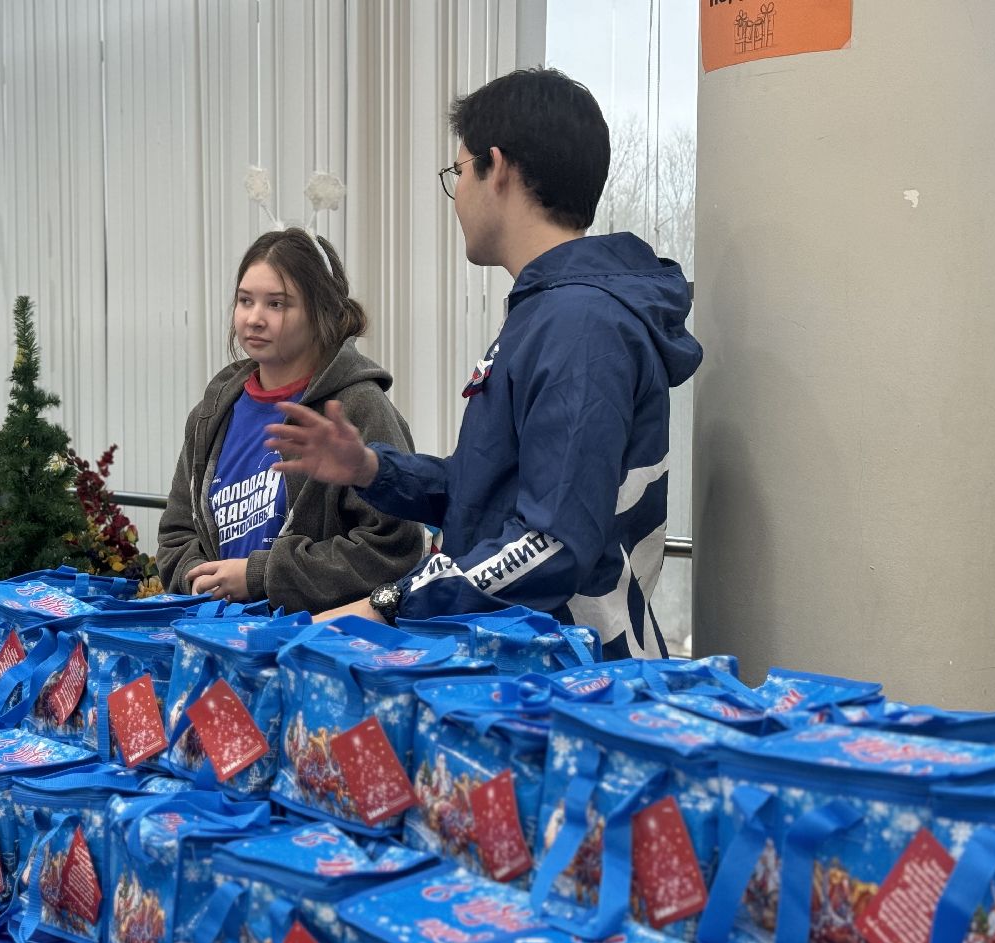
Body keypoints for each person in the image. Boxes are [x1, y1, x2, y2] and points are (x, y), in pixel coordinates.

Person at [265, 68, 702, 658]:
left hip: (567, 673)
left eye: (458, 172)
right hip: (527, 658)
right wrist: (372, 468)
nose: (457, 198)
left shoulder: (579, 324)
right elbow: (489, 492)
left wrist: (390, 603)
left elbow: (551, 544)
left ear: (495, 167)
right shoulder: (549, 311)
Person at [157, 227, 426, 614]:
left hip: (319, 642)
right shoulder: (212, 413)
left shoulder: (359, 407)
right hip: (218, 636)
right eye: (245, 301)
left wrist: (261, 576)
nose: (254, 318)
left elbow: (391, 549)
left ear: (321, 313)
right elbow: (176, 534)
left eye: (276, 304)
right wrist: (198, 579)